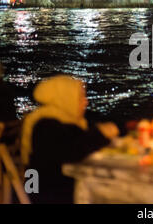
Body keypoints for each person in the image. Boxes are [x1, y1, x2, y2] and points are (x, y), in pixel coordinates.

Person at [21, 75, 119, 204]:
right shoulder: (46, 126)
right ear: (66, 98)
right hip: (50, 196)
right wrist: (100, 134)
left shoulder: (68, 121)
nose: (86, 102)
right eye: (80, 97)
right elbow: (72, 151)